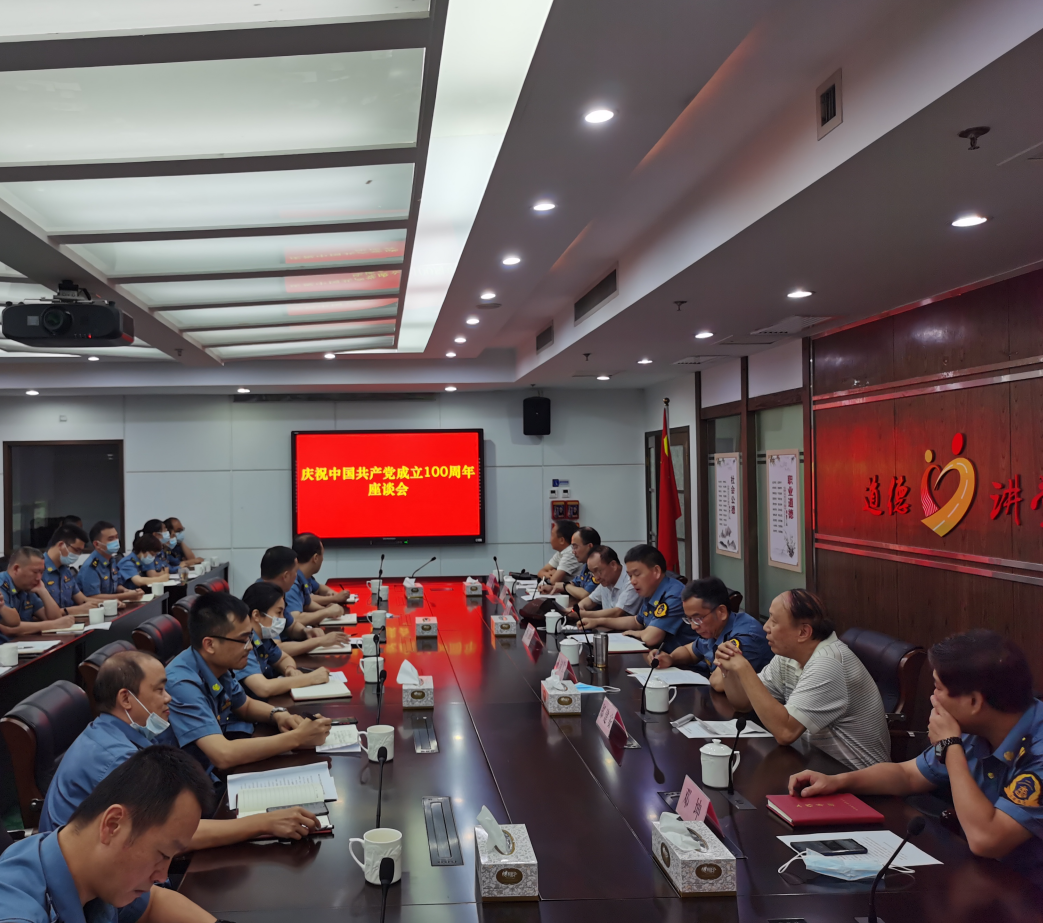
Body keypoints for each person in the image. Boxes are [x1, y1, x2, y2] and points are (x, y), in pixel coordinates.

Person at [789, 630, 1043, 880]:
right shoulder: (975, 729)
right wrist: (838, 781)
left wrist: (951, 747)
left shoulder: (1035, 750)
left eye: (938, 688)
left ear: (974, 702)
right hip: (989, 876)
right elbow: (907, 774)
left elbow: (987, 841)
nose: (933, 698)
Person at [40, 650, 320, 847]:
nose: (169, 698)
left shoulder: (124, 734)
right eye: (159, 690)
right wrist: (265, 823)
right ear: (126, 699)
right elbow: (172, 834)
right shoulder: (116, 758)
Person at [0, 746, 217, 923]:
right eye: (162, 854)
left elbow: (152, 903)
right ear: (113, 824)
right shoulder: (18, 914)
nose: (161, 876)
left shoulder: (94, 866)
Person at [714, 589, 889, 770]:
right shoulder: (788, 656)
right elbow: (743, 704)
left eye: (774, 621)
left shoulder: (828, 663)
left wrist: (744, 669)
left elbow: (785, 732)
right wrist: (728, 670)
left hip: (856, 776)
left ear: (803, 632)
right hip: (813, 762)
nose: (766, 627)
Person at [165, 592, 331, 778]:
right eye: (242, 640)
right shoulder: (181, 683)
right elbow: (223, 754)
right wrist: (297, 738)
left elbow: (245, 705)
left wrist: (279, 715)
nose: (250, 647)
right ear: (210, 645)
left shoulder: (216, 664)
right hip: (190, 781)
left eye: (250, 637)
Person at [646, 576, 772, 677]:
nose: (693, 626)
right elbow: (690, 651)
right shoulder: (714, 629)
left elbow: (719, 683)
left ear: (721, 612)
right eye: (689, 619)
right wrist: (670, 658)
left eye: (697, 618)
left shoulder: (745, 637)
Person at [576, 544, 693, 652]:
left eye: (637, 574)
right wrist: (597, 622)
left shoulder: (674, 594)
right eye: (630, 576)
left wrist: (635, 633)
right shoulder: (651, 590)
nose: (632, 581)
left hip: (684, 663)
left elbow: (650, 638)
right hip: (660, 656)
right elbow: (637, 621)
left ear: (656, 571)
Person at [234, 582, 333, 699]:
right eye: (278, 612)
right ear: (256, 615)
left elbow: (283, 658)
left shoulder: (263, 639)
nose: (283, 619)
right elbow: (264, 688)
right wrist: (310, 678)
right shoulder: (243, 642)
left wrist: (289, 669)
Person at [245, 581, 348, 660]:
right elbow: (279, 648)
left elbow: (281, 656)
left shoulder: (266, 638)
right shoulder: (245, 645)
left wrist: (306, 631)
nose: (282, 618)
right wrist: (319, 641)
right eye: (279, 613)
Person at [43, 524, 118, 617]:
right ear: (61, 545)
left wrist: (109, 603)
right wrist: (73, 610)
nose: (78, 555)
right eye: (76, 550)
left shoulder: (65, 570)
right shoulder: (38, 570)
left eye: (80, 551)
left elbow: (83, 600)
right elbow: (37, 614)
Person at [0, 546, 75, 636]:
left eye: (41, 572)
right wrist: (52, 625)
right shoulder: (2, 586)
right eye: (35, 572)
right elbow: (8, 628)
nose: (39, 578)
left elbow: (55, 618)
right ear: (16, 569)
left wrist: (43, 591)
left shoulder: (26, 587)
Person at [288, 533, 349, 623]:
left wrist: (328, 610)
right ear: (315, 558)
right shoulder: (291, 582)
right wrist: (328, 611)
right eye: (322, 555)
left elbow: (307, 603)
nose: (322, 559)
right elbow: (295, 619)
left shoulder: (303, 576)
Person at [79, 521, 145, 603]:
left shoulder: (111, 560)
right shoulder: (91, 566)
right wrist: (126, 596)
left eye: (116, 537)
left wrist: (126, 591)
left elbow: (115, 585)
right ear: (97, 544)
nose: (116, 541)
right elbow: (93, 596)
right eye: (111, 539)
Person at [574, 546, 641, 621]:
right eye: (593, 573)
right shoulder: (607, 580)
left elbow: (617, 613)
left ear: (613, 565)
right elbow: (591, 600)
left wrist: (582, 614)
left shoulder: (631, 581)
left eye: (599, 571)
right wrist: (579, 607)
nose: (596, 578)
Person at [541, 526, 601, 601]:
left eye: (575, 547)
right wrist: (553, 588)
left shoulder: (599, 567)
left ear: (589, 546)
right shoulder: (586, 565)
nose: (573, 552)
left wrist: (565, 586)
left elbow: (585, 594)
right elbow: (575, 584)